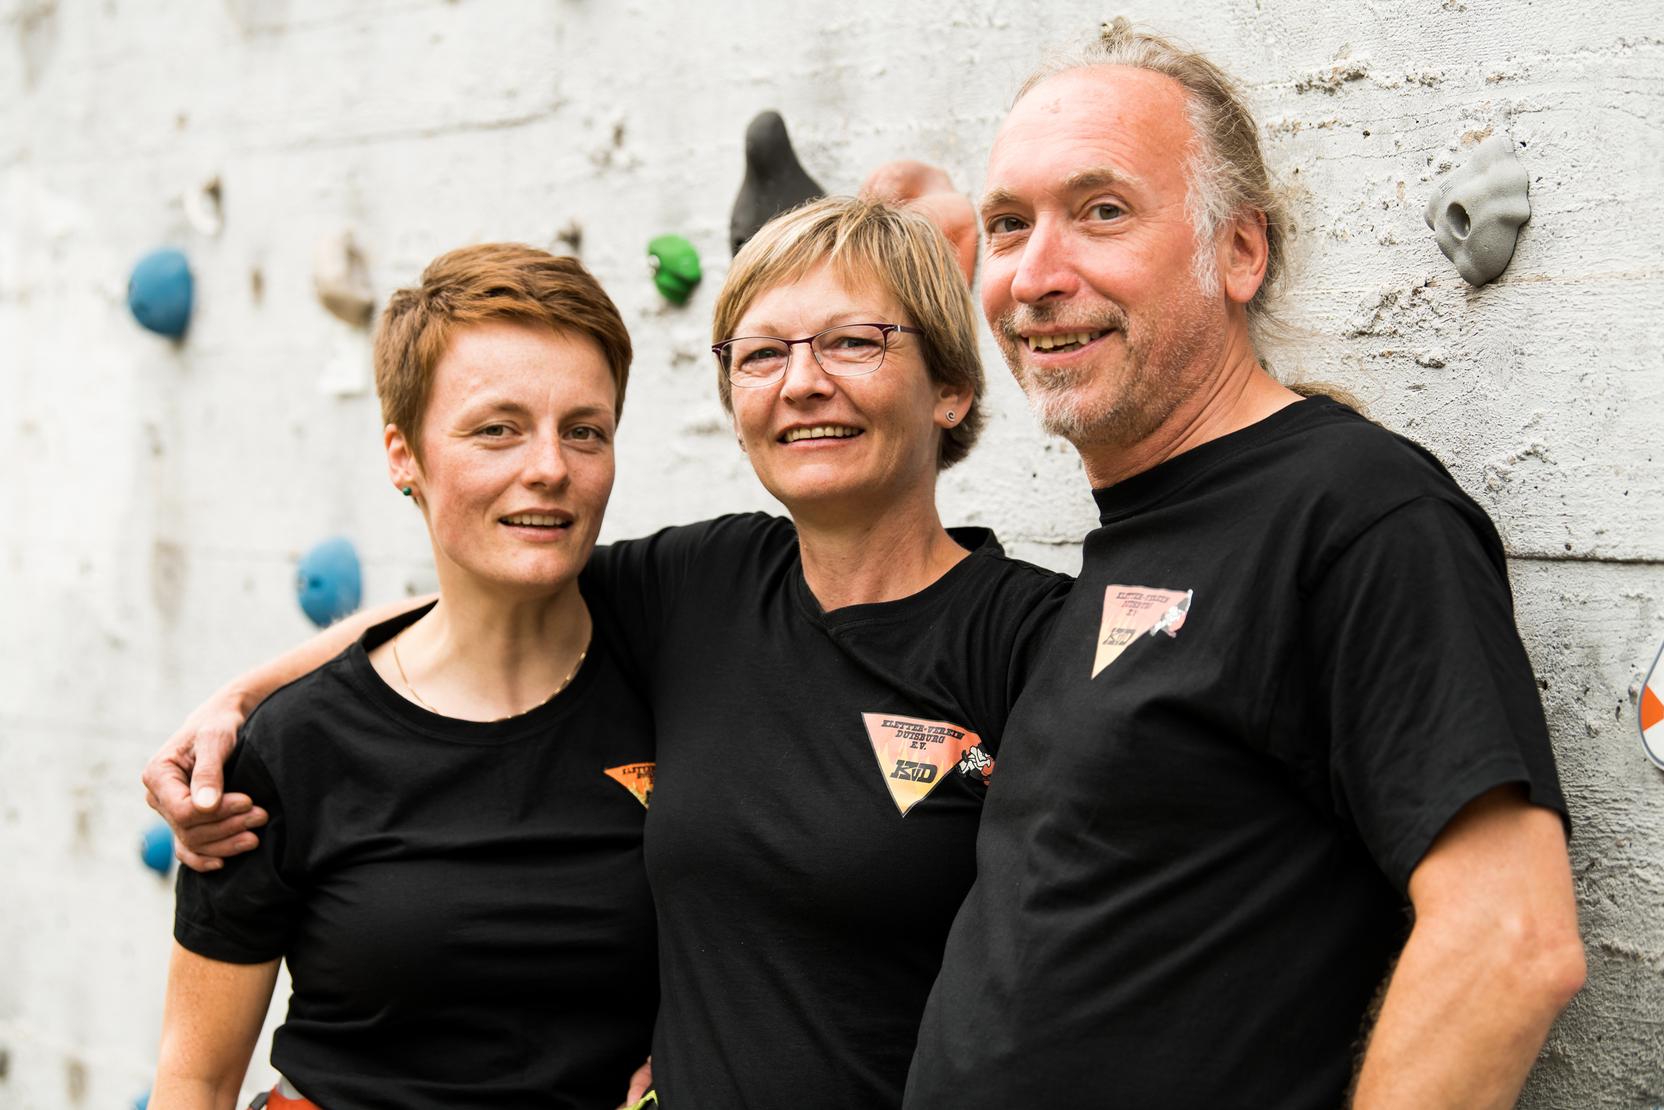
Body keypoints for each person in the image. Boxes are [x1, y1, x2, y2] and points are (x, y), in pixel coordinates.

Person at [146, 198, 1071, 1109]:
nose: (802, 383)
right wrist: (243, 699)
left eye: (854, 342)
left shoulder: (1031, 641)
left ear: (953, 388)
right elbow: (488, 586)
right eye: (761, 354)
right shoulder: (707, 582)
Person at [902, 21, 1584, 1110]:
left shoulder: (1354, 511)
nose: (1032, 275)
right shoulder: (1131, 537)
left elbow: (1509, 940)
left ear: (1240, 252)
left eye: (1100, 212)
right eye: (1005, 225)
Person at [152, 244, 658, 1110]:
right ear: (402, 455)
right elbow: (195, 1080)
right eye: (497, 427)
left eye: (585, 429)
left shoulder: (684, 663)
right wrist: (243, 700)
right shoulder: (289, 749)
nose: (549, 466)